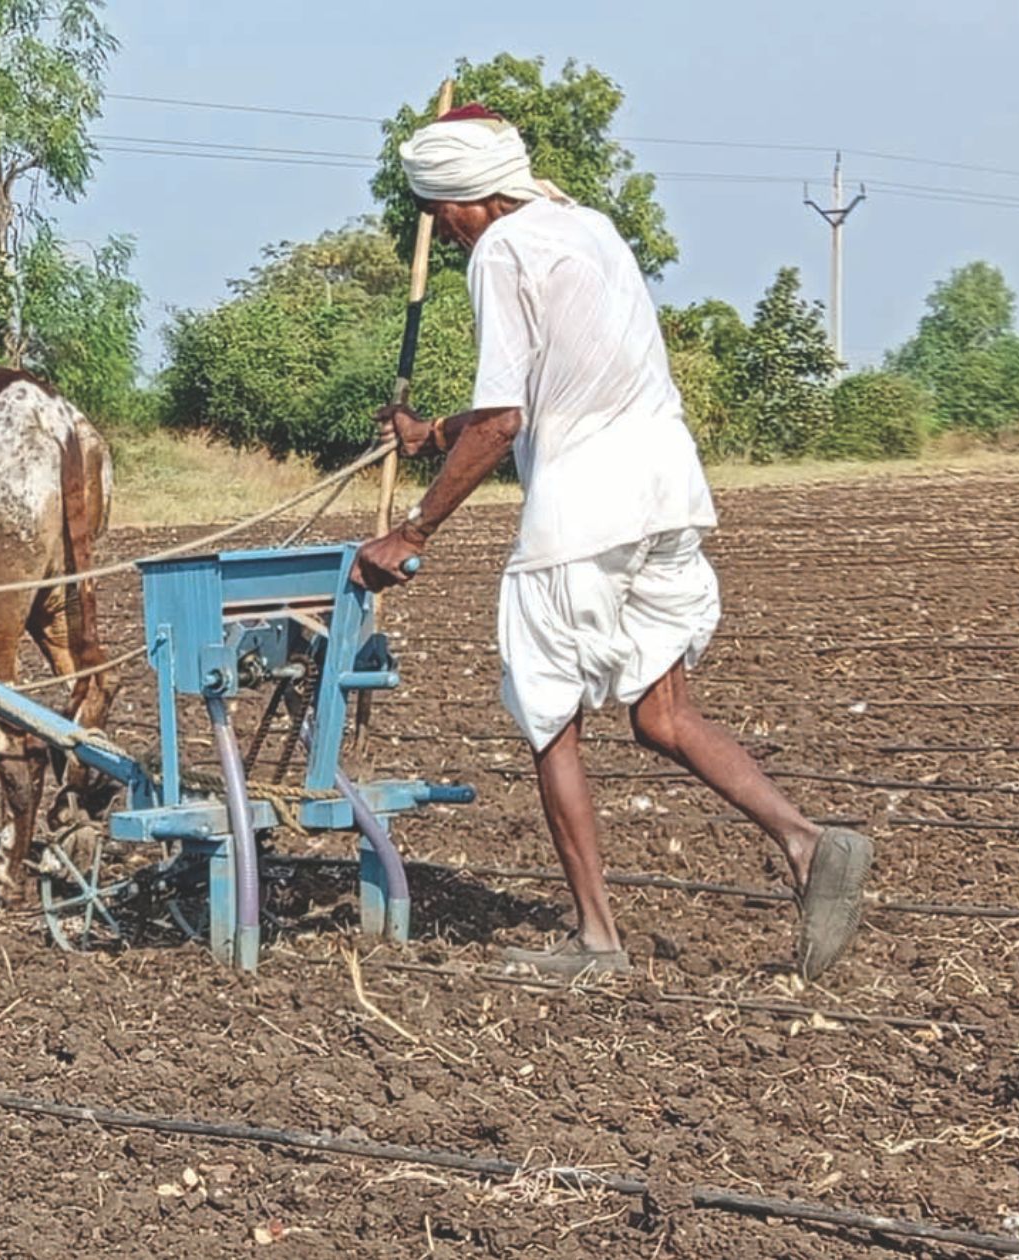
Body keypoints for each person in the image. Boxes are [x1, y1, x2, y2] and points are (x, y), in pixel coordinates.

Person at [353, 104, 871, 981]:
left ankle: (596, 941)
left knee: (551, 718)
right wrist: (432, 430)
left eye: (441, 213)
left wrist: (412, 530)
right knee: (662, 713)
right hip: (667, 495)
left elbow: (509, 419)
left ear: (464, 200)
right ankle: (806, 843)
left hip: (582, 513)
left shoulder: (500, 253)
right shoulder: (587, 226)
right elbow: (557, 386)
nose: (441, 230)